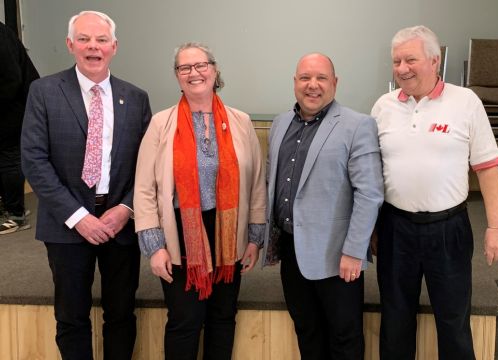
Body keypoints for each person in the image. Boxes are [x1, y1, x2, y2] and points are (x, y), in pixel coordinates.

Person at [371, 25, 498, 360]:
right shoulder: (383, 106)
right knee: (395, 320)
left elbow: (488, 169)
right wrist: (371, 227)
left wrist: (497, 227)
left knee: (453, 320)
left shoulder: (466, 102)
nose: (402, 68)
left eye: (411, 59)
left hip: (449, 230)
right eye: (396, 61)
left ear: (435, 60)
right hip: (395, 228)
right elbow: (371, 174)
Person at [21, 10, 151, 360]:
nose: (93, 47)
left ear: (114, 46)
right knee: (71, 315)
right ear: (70, 44)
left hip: (120, 223)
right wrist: (79, 216)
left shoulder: (136, 97)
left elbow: (147, 164)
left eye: (101, 40)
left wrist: (125, 209)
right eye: (84, 39)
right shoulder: (43, 91)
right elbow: (34, 159)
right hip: (66, 224)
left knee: (121, 313)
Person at [134, 42, 266, 360]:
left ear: (214, 69)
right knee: (185, 320)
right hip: (179, 233)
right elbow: (144, 189)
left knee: (222, 316)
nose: (194, 73)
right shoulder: (160, 124)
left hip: (228, 230)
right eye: (185, 68)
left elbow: (257, 184)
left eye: (201, 65)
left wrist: (254, 238)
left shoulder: (241, 121)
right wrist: (154, 245)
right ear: (177, 76)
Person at [262, 53, 384, 360]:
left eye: (321, 78)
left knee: (344, 336)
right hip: (292, 251)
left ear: (335, 83)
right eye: (305, 78)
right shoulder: (279, 124)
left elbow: (369, 194)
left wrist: (355, 251)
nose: (312, 85)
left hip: (338, 256)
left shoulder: (357, 125)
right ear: (295, 83)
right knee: (307, 330)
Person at [0, 21, 39, 234]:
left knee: (9, 157)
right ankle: (7, 207)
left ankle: (16, 214)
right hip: (8, 102)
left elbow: (11, 79)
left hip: (14, 104)